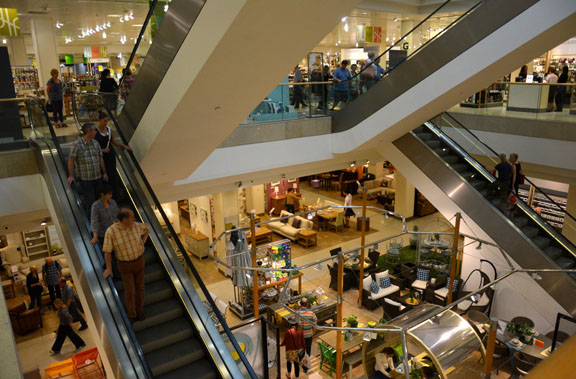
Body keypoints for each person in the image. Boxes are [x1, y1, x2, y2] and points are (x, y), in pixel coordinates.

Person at [103, 209, 150, 322]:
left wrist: (143, 241)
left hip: (139, 262)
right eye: (132, 217)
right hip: (125, 265)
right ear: (124, 220)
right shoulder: (111, 231)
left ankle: (140, 310)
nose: (134, 219)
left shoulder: (136, 226)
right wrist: (109, 268)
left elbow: (147, 228)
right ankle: (131, 314)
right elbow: (107, 251)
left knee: (140, 288)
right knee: (130, 291)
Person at [68, 123, 109, 213]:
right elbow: (71, 160)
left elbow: (100, 158)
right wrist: (71, 175)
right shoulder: (77, 144)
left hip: (97, 177)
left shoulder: (96, 143)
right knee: (90, 201)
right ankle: (92, 220)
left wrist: (104, 173)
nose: (96, 132)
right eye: (94, 130)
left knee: (100, 200)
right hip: (86, 179)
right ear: (89, 131)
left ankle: (100, 217)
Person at [94, 111, 132, 200]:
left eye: (107, 121)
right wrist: (103, 150)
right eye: (104, 121)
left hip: (110, 156)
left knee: (113, 174)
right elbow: (92, 148)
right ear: (99, 120)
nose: (106, 123)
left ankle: (115, 195)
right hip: (101, 157)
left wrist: (124, 146)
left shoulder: (109, 130)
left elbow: (113, 142)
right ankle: (105, 196)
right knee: (105, 176)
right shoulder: (95, 132)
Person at [298, 297, 317, 373]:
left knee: (301, 349)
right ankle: (305, 367)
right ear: (307, 304)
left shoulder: (298, 313)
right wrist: (314, 331)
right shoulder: (311, 313)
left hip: (300, 336)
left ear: (300, 304)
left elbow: (294, 322)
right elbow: (315, 321)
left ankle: (301, 361)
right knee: (308, 350)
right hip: (309, 335)